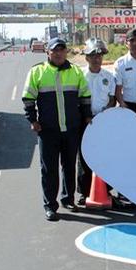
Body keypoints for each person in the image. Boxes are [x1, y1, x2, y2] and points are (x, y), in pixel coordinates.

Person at [22, 37, 92, 221]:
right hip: (48, 130)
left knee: (69, 166)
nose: (59, 53)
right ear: (48, 52)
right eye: (55, 50)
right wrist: (32, 120)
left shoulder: (76, 71)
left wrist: (86, 116)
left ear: (66, 52)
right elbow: (28, 98)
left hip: (71, 128)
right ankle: (50, 206)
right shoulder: (37, 72)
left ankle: (68, 199)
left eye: (62, 50)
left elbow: (85, 96)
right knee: (49, 169)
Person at [77, 38, 116, 206]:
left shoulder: (109, 76)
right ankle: (84, 192)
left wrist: (104, 113)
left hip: (103, 121)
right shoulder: (79, 75)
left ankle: (105, 190)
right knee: (84, 156)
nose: (96, 58)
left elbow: (112, 98)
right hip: (84, 120)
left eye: (99, 55)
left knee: (105, 155)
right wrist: (86, 115)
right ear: (86, 58)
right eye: (92, 55)